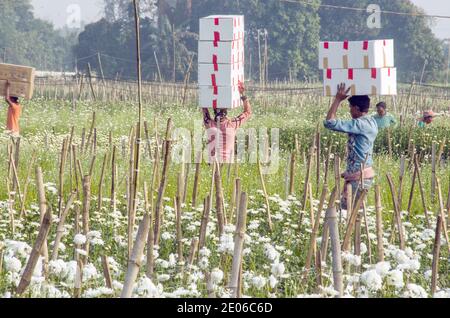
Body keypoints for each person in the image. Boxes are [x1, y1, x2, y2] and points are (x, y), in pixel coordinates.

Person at [323, 83, 378, 209]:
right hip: (362, 174)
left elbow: (329, 123)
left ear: (357, 109)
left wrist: (337, 99)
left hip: (359, 178)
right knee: (353, 211)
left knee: (348, 211)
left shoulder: (360, 124)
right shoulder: (371, 121)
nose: (350, 110)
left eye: (351, 107)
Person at [202, 81, 252, 163]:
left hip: (213, 165)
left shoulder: (209, 124)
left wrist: (207, 91)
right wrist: (242, 94)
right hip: (228, 164)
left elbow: (204, 108)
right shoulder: (232, 124)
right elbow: (248, 112)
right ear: (226, 112)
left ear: (214, 112)